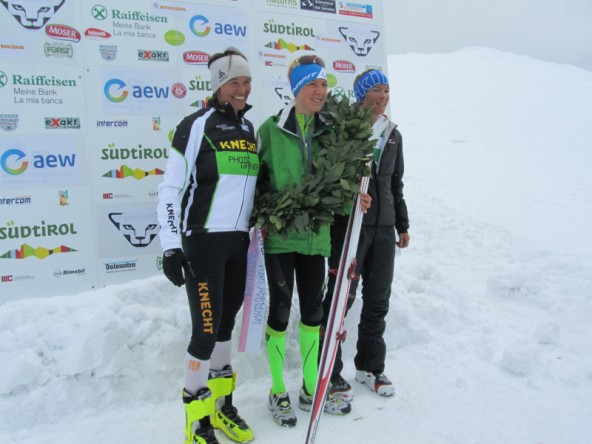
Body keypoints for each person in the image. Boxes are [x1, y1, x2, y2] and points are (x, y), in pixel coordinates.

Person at [157, 48, 258, 444]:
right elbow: (170, 188)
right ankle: (196, 421)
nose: (242, 89)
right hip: (203, 242)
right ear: (217, 84)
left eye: (247, 82)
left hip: (238, 244)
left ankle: (221, 406)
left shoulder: (249, 131)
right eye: (234, 82)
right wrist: (170, 246)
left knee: (225, 327)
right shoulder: (196, 124)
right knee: (205, 332)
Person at [256, 55, 355, 427]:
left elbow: (337, 186)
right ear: (297, 88)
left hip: (318, 240)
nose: (320, 91)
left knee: (313, 316)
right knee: (280, 314)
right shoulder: (270, 129)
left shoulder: (331, 131)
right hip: (281, 239)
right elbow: (257, 183)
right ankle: (278, 390)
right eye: (313, 84)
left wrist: (354, 199)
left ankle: (311, 388)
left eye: (324, 84)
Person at [322, 69, 410, 401]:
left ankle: (370, 366)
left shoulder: (392, 133)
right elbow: (331, 178)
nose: (383, 96)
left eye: (387, 90)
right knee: (341, 297)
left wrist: (402, 224)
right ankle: (330, 369)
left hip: (384, 227)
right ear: (362, 95)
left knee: (378, 298)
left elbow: (395, 183)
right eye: (376, 90)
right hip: (351, 226)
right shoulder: (345, 130)